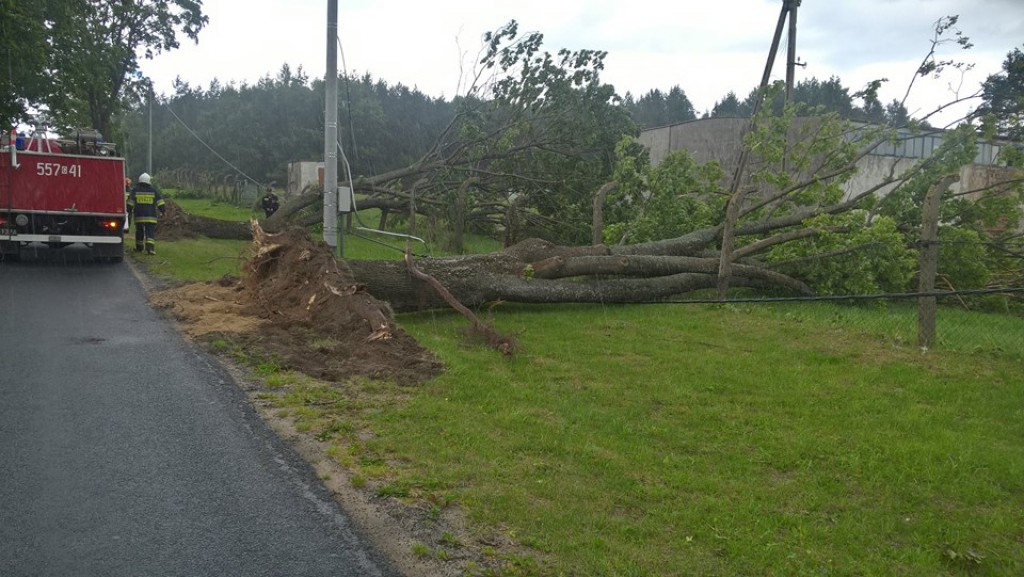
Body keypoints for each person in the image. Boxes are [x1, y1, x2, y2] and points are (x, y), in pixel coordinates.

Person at [127, 173, 166, 255]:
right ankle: (150, 249)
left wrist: (128, 210)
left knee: (139, 232)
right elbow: (160, 202)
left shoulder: (135, 189)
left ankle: (139, 248)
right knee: (150, 232)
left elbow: (130, 202)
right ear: (148, 181)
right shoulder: (153, 190)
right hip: (151, 216)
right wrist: (163, 211)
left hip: (139, 216)